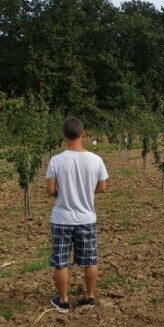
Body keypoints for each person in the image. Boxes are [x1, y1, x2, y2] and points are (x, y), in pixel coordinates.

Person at [45, 118, 109, 313]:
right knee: (90, 259)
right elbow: (103, 187)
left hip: (62, 219)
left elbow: (50, 190)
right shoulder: (96, 160)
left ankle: (63, 301)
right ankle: (89, 298)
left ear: (63, 135)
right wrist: (87, 192)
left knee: (60, 260)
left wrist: (62, 194)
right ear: (83, 135)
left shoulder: (56, 160)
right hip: (87, 219)